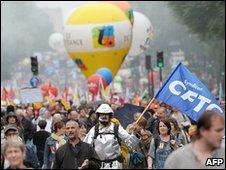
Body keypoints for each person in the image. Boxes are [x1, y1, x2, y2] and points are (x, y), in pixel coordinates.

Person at [84, 103, 140, 169]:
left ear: (110, 116)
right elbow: (85, 147)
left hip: (115, 165)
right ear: (98, 115)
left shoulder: (117, 128)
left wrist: (134, 133)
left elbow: (131, 143)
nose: (104, 116)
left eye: (106, 114)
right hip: (98, 166)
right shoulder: (94, 130)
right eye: (102, 114)